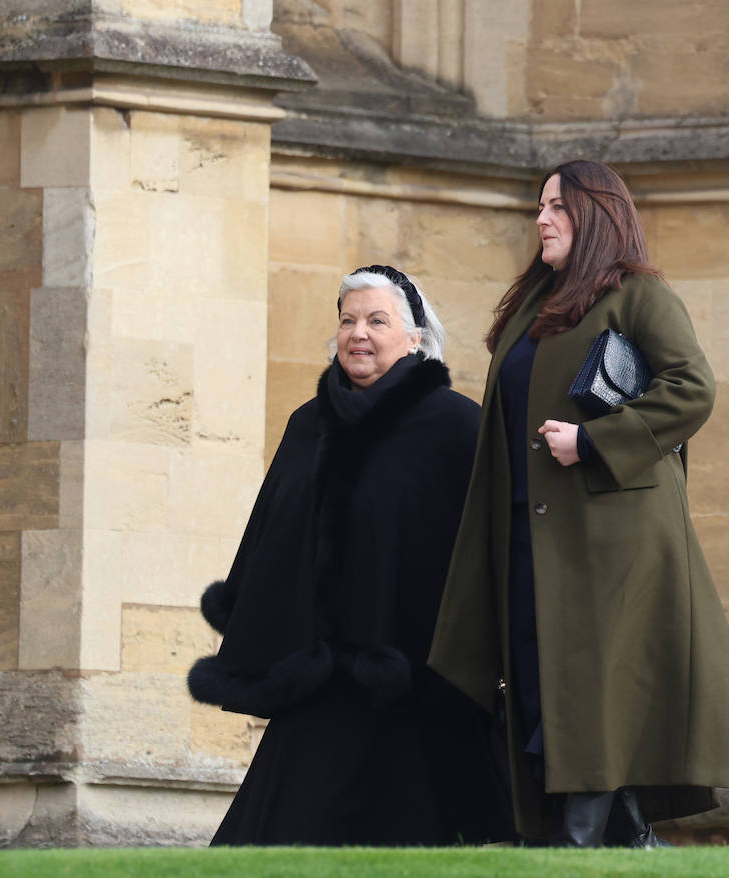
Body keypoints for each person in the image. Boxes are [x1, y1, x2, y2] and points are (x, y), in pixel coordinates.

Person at [427, 160, 729, 848]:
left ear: (596, 214)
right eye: (539, 206)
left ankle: (574, 842)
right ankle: (629, 836)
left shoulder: (639, 296)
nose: (541, 219)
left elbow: (692, 389)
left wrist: (594, 441)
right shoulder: (535, 303)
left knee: (592, 687)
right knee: (538, 677)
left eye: (556, 206)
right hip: (529, 531)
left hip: (612, 538)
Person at [187, 265, 510, 846]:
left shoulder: (457, 426)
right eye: (348, 320)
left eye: (377, 320)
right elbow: (271, 535)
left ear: (414, 338)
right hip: (319, 682)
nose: (359, 333)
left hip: (418, 683)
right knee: (275, 842)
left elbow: (484, 549)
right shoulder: (309, 425)